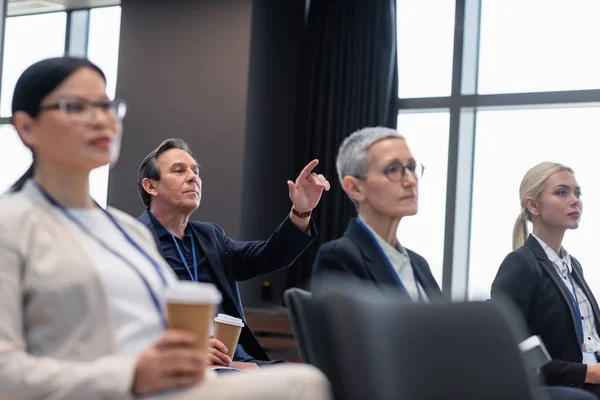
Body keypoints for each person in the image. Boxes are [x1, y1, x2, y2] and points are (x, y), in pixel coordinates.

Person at [0, 57, 331, 399]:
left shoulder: (126, 232)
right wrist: (133, 375)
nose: (101, 119)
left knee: (305, 381)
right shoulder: (12, 227)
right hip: (119, 385)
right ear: (26, 127)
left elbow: (264, 258)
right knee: (302, 385)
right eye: (76, 106)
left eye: (106, 105)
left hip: (182, 374)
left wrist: (301, 212)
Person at [137, 139, 330, 369]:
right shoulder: (133, 242)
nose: (193, 177)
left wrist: (302, 210)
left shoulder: (210, 237)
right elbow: (129, 322)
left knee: (312, 378)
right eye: (179, 171)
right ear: (151, 186)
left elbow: (271, 255)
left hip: (234, 359)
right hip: (179, 364)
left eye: (196, 172)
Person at [492, 162, 600, 397]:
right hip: (569, 388)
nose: (575, 200)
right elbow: (509, 352)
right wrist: (587, 373)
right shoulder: (520, 265)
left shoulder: (573, 267)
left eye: (577, 193)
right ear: (533, 205)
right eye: (562, 192)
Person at [312, 127, 442, 301]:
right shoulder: (340, 257)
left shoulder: (419, 264)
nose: (410, 180)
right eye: (393, 169)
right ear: (355, 188)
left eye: (411, 167)